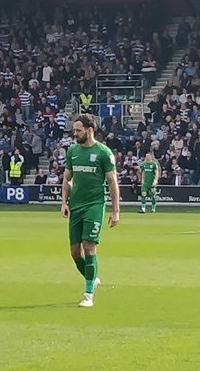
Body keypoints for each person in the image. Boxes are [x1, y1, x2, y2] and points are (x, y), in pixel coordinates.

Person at [62, 114, 120, 308]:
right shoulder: (72, 151)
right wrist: (64, 202)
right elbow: (67, 177)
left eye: (78, 130)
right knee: (74, 253)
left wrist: (116, 211)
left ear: (90, 130)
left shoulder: (103, 152)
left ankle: (88, 295)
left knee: (89, 247)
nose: (75, 133)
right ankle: (92, 277)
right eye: (74, 130)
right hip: (76, 206)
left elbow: (112, 181)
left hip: (94, 205)